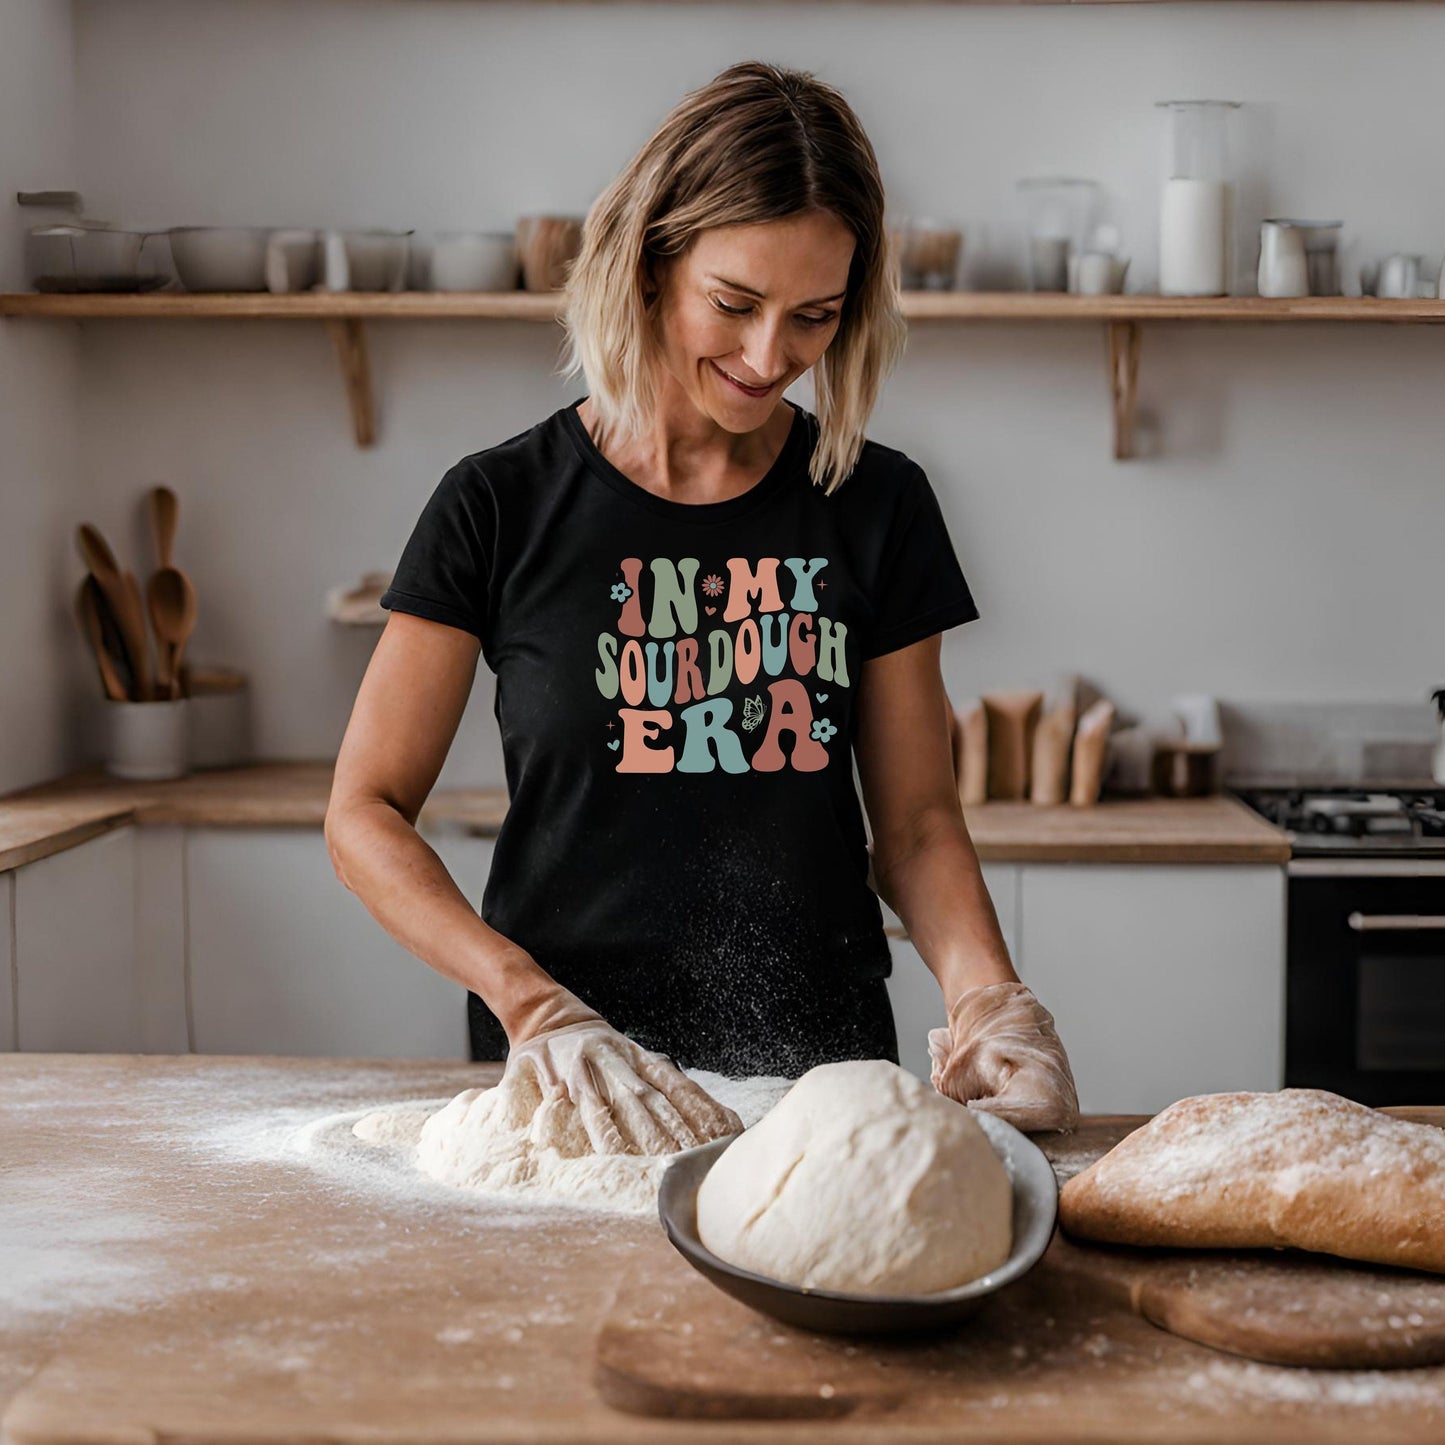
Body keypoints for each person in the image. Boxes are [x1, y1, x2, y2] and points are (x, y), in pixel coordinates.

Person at [325, 60, 1079, 1152]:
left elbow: (913, 824)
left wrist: (986, 999)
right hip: (577, 1074)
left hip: (822, 1072)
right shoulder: (499, 504)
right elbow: (363, 811)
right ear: (648, 266)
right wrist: (529, 1003)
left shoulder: (874, 503)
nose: (770, 357)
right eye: (734, 304)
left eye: (813, 317)